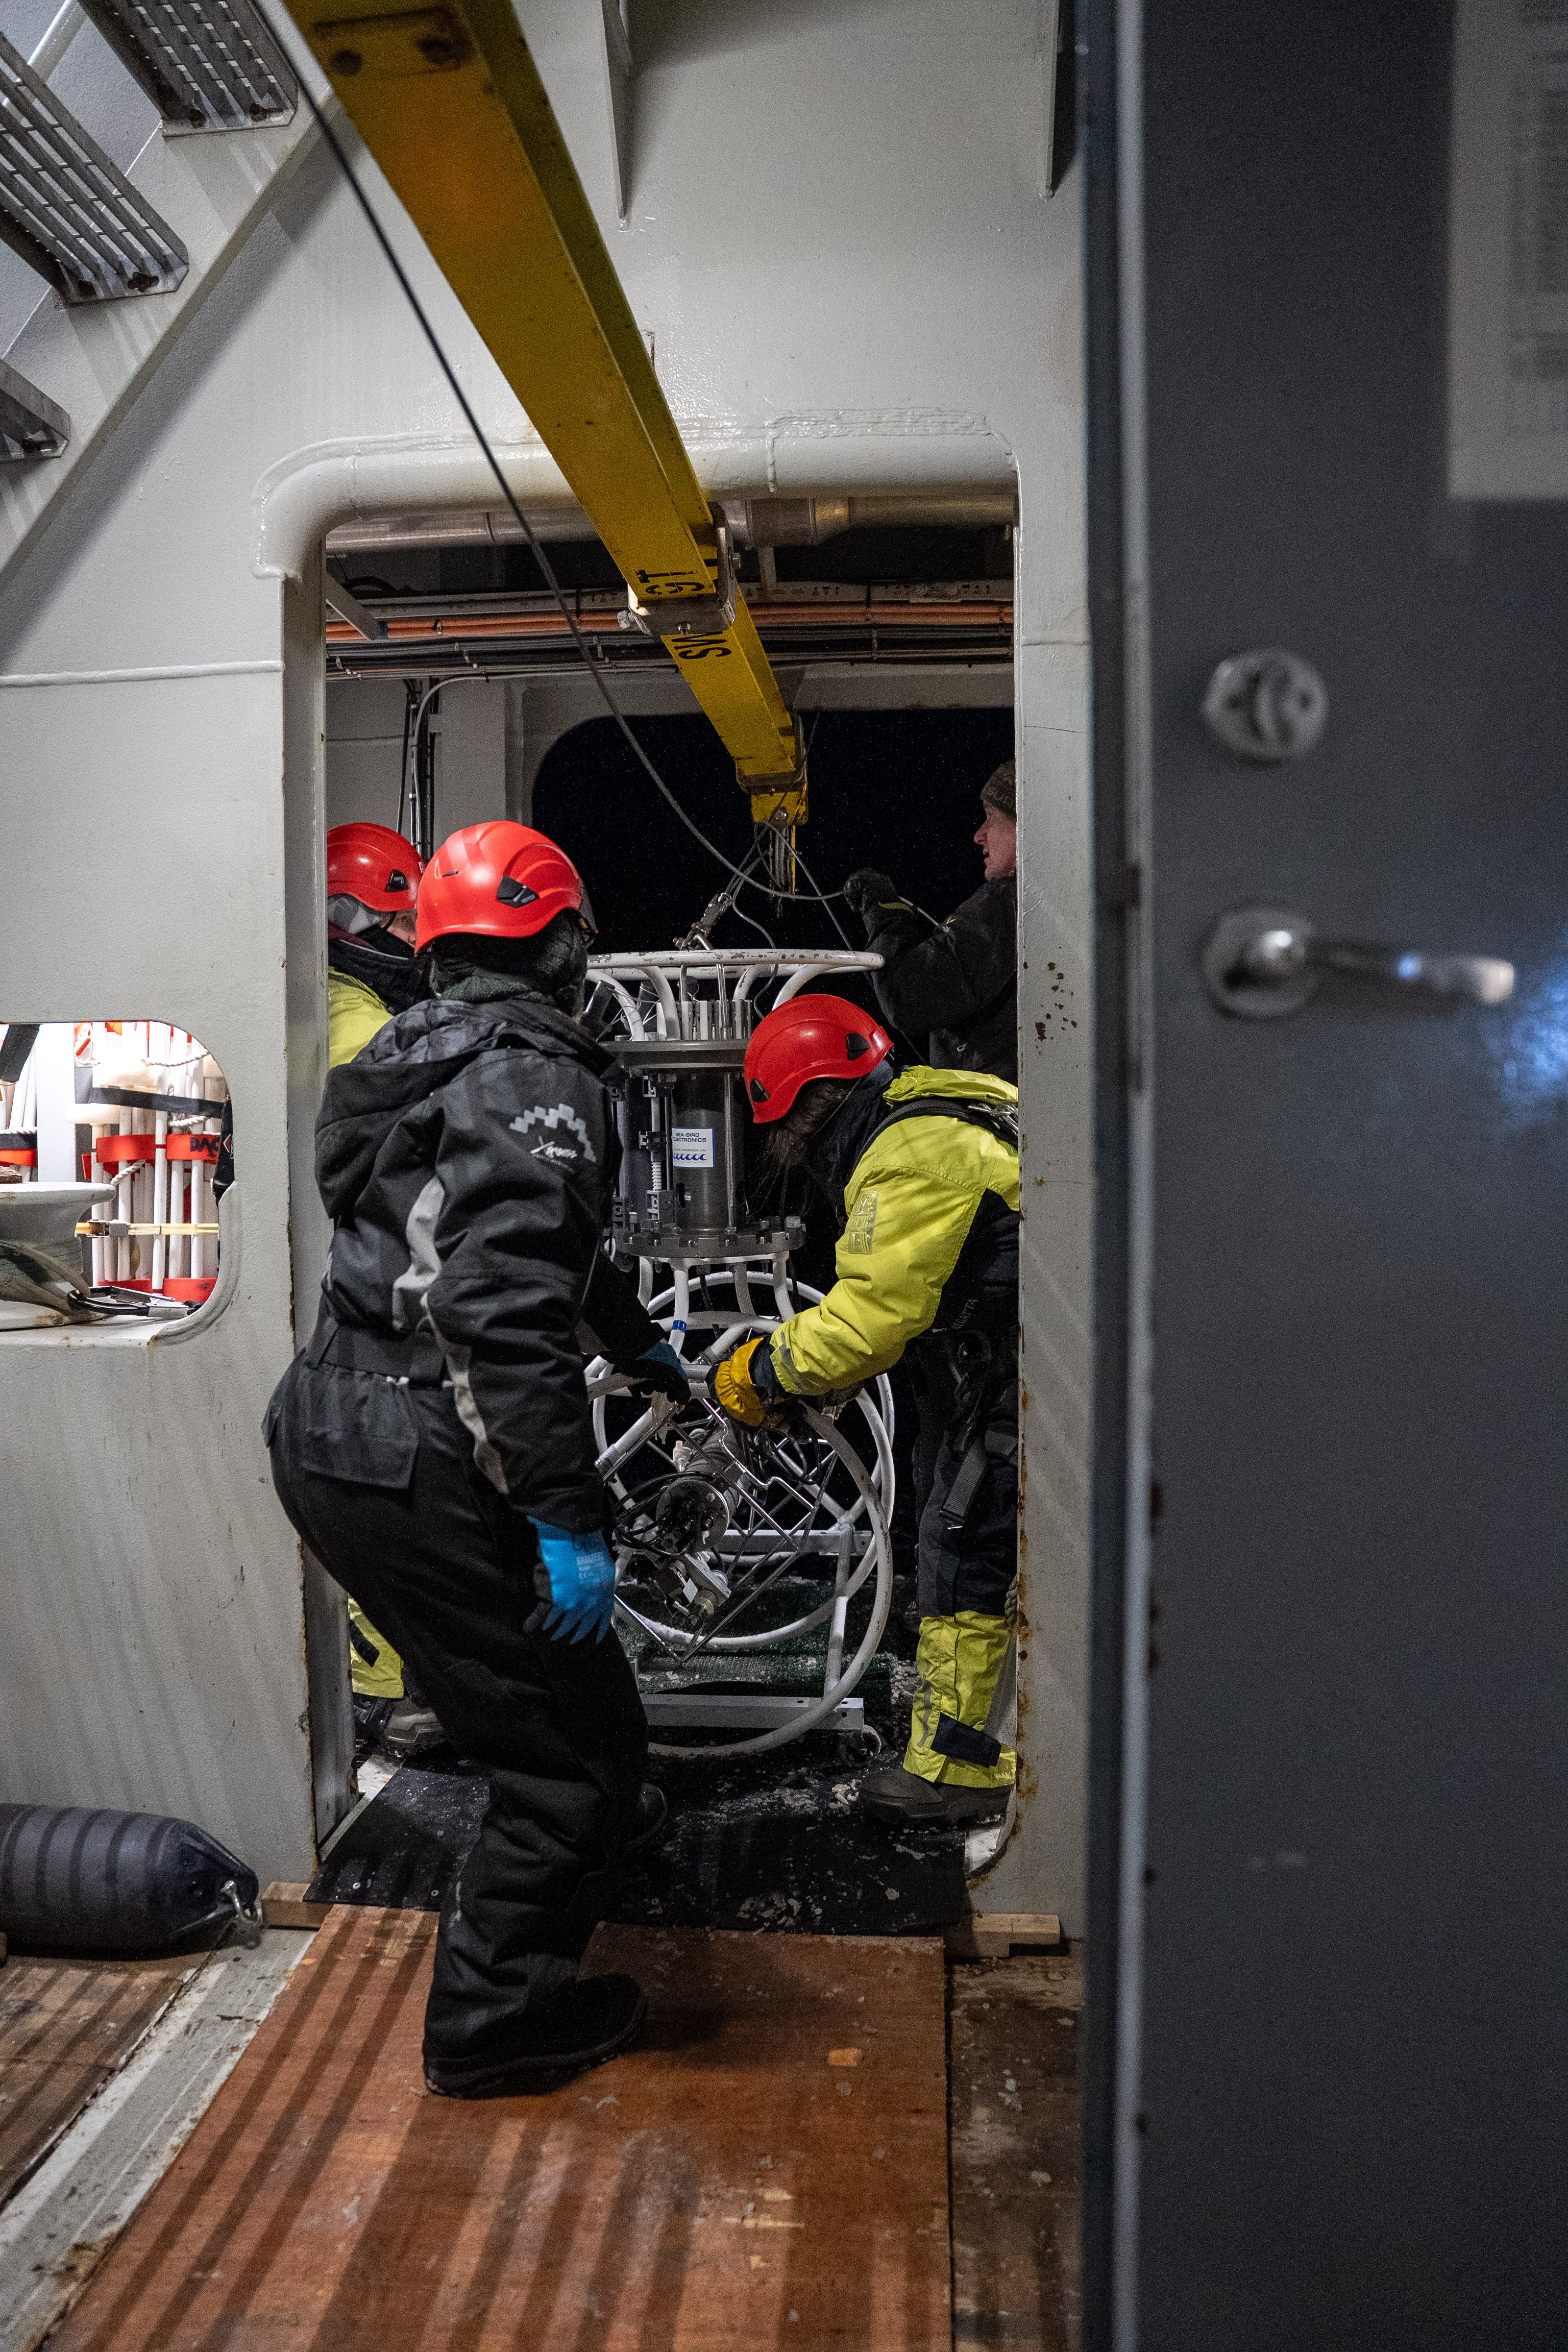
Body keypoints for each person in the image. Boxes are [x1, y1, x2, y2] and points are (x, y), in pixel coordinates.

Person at [264, 820, 689, 2094]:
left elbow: (486, 1239)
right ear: (562, 942)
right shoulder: (532, 1079)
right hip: (417, 1445)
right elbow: (500, 1319)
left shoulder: (406, 1055)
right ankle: (493, 2023)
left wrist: (636, 1341)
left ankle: (592, 1834)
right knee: (567, 1761)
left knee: (565, 1716)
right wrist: (568, 1520)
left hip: (330, 1424)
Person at [715, 993, 1020, 1827]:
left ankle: (956, 1769)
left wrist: (761, 1370)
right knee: (964, 1537)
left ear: (805, 1106)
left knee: (964, 1546)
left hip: (1020, 1374)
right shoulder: (937, 1101)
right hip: (1012, 1358)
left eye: (780, 1130)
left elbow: (870, 1319)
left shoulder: (908, 1155)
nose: (781, 1150)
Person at [322, 823, 443, 1760]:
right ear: (355, 926)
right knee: (392, 1488)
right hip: (371, 1296)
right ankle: (389, 1696)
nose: (418, 945)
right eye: (405, 926)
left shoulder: (330, 1006)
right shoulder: (365, 1033)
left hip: (344, 1292)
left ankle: (387, 1690)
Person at [841, 757, 1018, 1083]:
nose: (979, 835)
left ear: (1026, 824)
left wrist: (883, 915)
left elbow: (910, 998)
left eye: (991, 817)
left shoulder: (1007, 901)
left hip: (986, 1106)